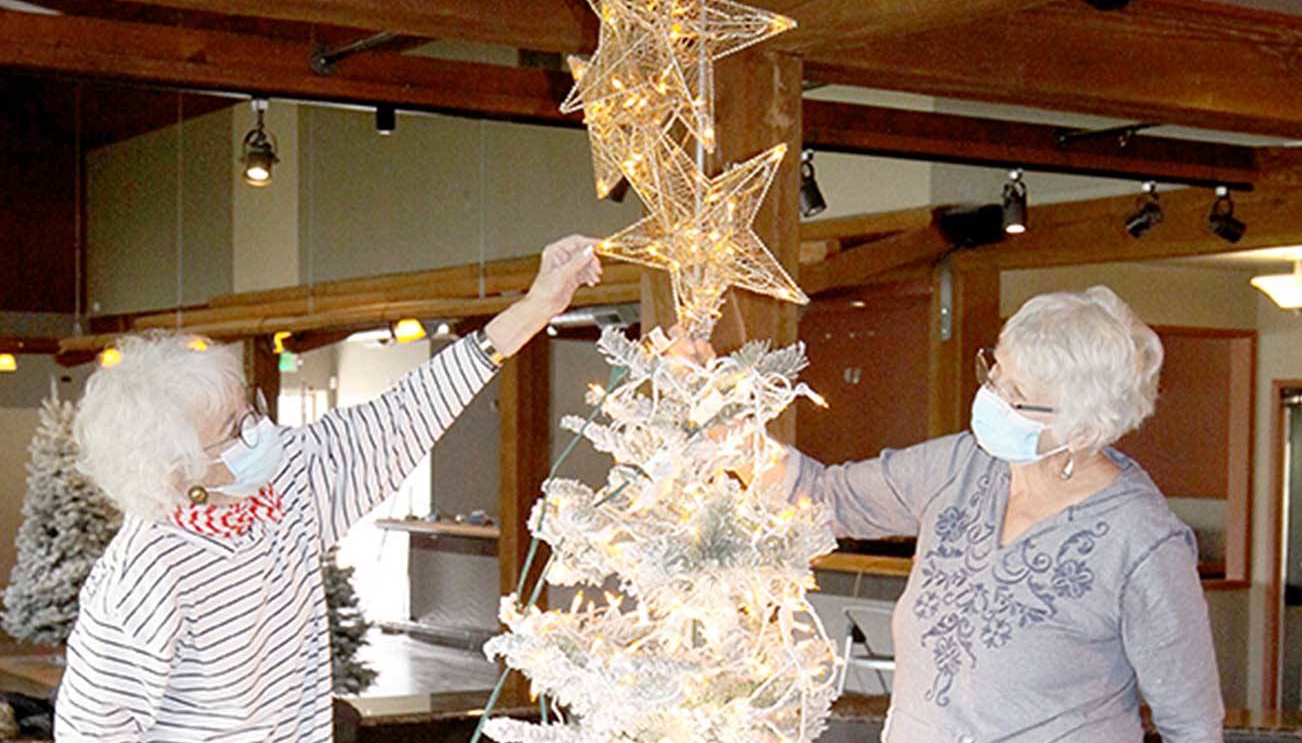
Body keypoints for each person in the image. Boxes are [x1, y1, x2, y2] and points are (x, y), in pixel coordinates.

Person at [54, 235, 603, 742]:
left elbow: (405, 413)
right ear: (179, 469)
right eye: (234, 429)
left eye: (250, 409)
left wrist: (537, 306)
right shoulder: (147, 571)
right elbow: (91, 729)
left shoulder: (286, 485)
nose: (260, 430)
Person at [687, 286, 1224, 742]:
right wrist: (720, 418)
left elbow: (1193, 725)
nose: (990, 397)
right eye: (995, 374)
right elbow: (825, 497)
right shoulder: (961, 466)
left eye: (1016, 395)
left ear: (1083, 431)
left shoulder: (1142, 540)